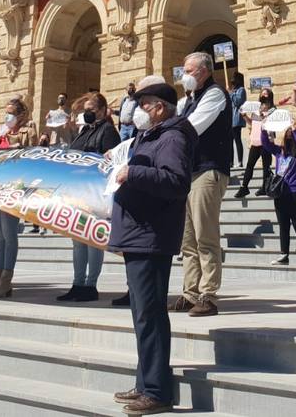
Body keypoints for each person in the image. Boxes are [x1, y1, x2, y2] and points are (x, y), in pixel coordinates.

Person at [110, 78, 198, 416]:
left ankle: (157, 390)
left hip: (151, 235)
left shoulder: (172, 136)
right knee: (142, 313)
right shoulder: (152, 136)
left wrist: (131, 173)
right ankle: (146, 382)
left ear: (159, 108)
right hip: (139, 232)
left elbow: (176, 182)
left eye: (143, 104)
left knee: (150, 314)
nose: (138, 110)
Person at [171, 52, 231, 318]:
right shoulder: (187, 101)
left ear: (205, 71)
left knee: (205, 236)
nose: (185, 75)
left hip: (208, 171)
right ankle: (190, 292)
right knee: (187, 239)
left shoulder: (215, 94)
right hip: (187, 173)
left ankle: (208, 294)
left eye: (189, 70)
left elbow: (192, 128)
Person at [58, 92, 120, 302]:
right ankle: (77, 283)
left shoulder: (108, 130)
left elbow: (112, 160)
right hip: (77, 193)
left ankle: (90, 284)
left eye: (92, 110)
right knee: (78, 241)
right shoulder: (83, 131)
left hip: (95, 193)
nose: (88, 114)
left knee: (92, 240)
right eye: (86, 111)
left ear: (103, 111)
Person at [0, 97, 38, 299]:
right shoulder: (1, 132)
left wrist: (15, 149)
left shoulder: (28, 132)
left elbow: (33, 156)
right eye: (6, 112)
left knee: (10, 236)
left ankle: (6, 280)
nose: (8, 116)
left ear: (21, 115)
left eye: (11, 112)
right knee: (0, 237)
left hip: (14, 188)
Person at [260, 115, 296, 266]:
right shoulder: (279, 153)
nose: (287, 138)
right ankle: (284, 254)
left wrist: (294, 128)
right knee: (283, 225)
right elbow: (266, 144)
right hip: (281, 193)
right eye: (286, 134)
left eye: (290, 135)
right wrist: (264, 128)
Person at [233, 87, 273, 199]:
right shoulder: (256, 108)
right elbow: (252, 123)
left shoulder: (272, 109)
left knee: (266, 166)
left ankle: (265, 187)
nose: (263, 95)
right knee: (250, 165)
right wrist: (244, 116)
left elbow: (271, 124)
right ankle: (244, 187)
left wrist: (263, 115)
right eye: (262, 94)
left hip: (266, 141)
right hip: (255, 141)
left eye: (265, 94)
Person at [228, 73, 247, 168]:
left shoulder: (241, 90)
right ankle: (230, 162)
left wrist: (231, 93)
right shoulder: (233, 90)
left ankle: (240, 161)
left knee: (237, 139)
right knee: (229, 141)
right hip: (230, 118)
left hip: (237, 118)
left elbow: (238, 102)